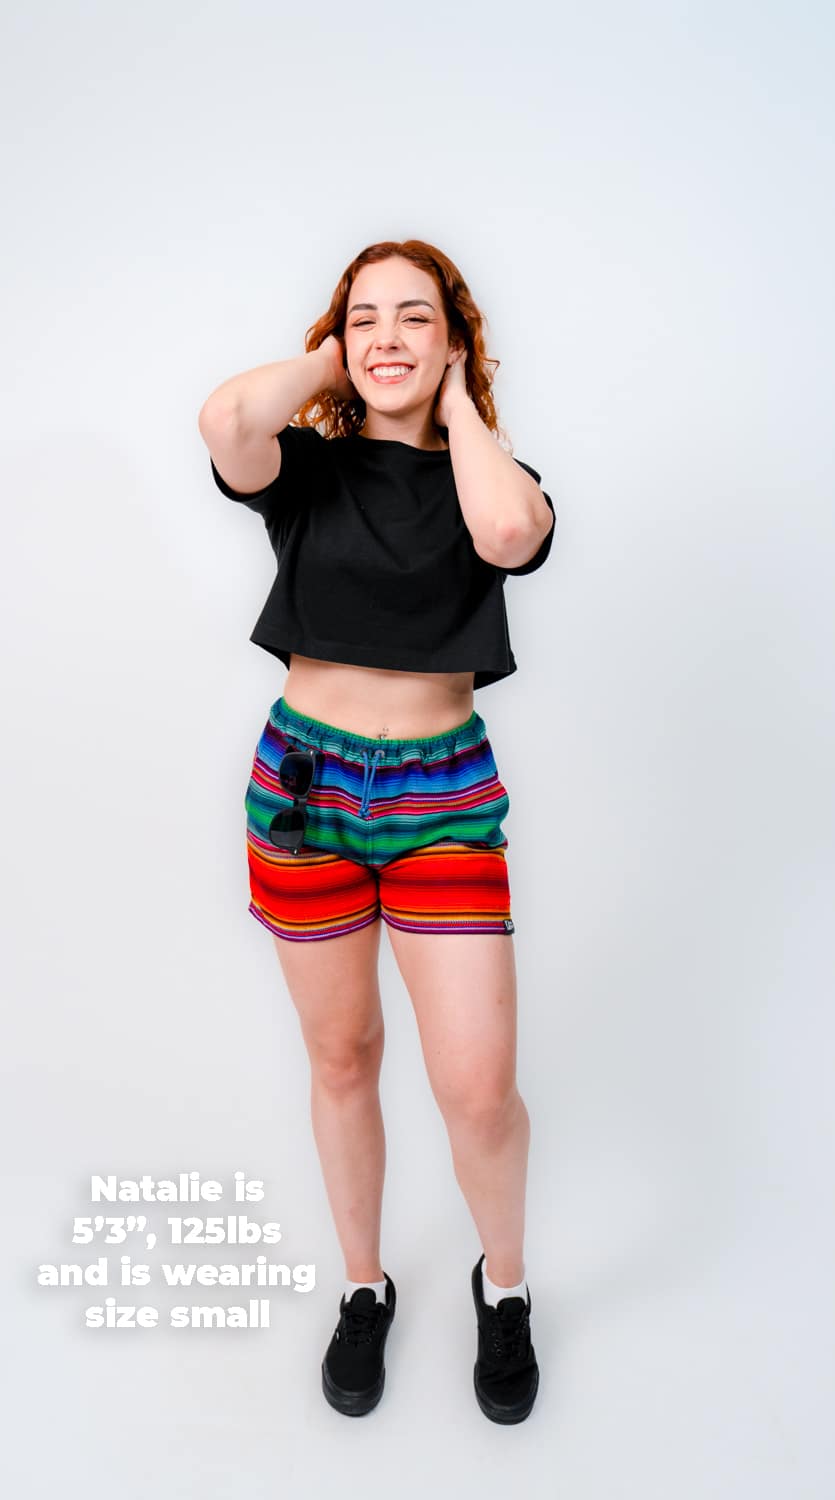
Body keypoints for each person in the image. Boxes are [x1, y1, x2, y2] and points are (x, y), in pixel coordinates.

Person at [197, 240, 555, 1424]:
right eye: (365, 318)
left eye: (415, 317)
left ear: (454, 340)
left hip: (440, 797)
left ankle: (504, 1289)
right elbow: (224, 419)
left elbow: (509, 536)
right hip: (305, 786)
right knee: (343, 1056)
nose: (387, 336)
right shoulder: (304, 469)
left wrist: (453, 405)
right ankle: (364, 1285)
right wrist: (333, 366)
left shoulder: (492, 476)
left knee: (478, 1088)